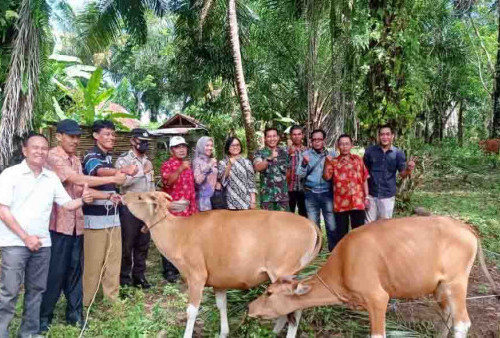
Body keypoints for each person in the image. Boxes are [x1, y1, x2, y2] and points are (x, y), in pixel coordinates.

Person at [0, 133, 93, 337]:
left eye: (44, 148)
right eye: (35, 147)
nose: (40, 151)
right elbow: (3, 210)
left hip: (42, 245)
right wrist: (25, 237)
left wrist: (83, 200)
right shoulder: (10, 174)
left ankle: (30, 332)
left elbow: (67, 204)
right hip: (15, 243)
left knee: (36, 291)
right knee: (9, 292)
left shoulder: (50, 177)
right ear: (24, 150)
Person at [39, 120, 126, 332]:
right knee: (56, 272)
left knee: (76, 271)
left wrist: (109, 195)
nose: (75, 141)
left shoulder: (76, 159)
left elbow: (83, 192)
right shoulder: (53, 156)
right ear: (59, 136)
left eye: (77, 137)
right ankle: (44, 318)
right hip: (58, 225)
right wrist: (115, 177)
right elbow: (75, 179)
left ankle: (75, 314)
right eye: (70, 136)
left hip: (78, 225)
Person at [82, 120, 135, 306]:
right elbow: (98, 171)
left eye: (113, 134)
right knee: (93, 263)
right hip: (94, 219)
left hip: (112, 217)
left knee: (113, 260)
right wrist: (121, 170)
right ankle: (86, 302)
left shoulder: (108, 156)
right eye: (107, 134)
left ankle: (112, 299)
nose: (111, 137)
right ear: (96, 135)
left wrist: (115, 195)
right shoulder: (91, 155)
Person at [116, 128, 155, 289]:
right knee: (127, 245)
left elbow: (151, 185)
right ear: (132, 141)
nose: (144, 144)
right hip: (130, 208)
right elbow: (121, 182)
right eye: (141, 141)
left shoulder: (148, 160)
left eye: (146, 142)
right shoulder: (124, 160)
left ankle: (139, 276)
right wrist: (141, 171)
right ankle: (124, 280)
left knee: (143, 244)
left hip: (145, 208)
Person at [160, 136, 197, 282]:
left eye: (183, 146)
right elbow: (167, 182)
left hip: (188, 208)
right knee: (171, 239)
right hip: (174, 209)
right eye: (177, 147)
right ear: (171, 150)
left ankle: (183, 267)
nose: (181, 149)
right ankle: (169, 270)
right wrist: (180, 169)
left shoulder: (188, 165)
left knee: (186, 239)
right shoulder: (168, 165)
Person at [363, 125, 415, 223]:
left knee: (385, 227)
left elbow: (403, 174)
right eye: (382, 134)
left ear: (392, 136)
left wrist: (409, 169)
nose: (385, 137)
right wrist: (365, 195)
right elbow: (364, 173)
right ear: (378, 136)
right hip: (371, 194)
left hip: (387, 196)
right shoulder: (370, 151)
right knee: (368, 227)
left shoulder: (398, 153)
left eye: (388, 134)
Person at [323, 134, 369, 243]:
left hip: (357, 202)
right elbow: (326, 177)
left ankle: (357, 255)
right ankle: (344, 256)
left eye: (347, 144)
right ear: (338, 146)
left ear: (351, 145)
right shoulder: (333, 161)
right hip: (340, 204)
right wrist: (326, 162)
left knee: (359, 233)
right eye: (342, 144)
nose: (344, 146)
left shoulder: (358, 160)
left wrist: (367, 196)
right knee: (341, 235)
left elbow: (364, 178)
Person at [296, 129, 337, 251]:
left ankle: (333, 249)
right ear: (311, 141)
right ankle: (316, 250)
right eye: (314, 140)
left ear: (324, 140)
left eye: (319, 139)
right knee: (314, 224)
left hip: (327, 193)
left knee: (331, 224)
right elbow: (299, 174)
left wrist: (331, 162)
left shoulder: (332, 154)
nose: (317, 142)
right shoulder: (306, 155)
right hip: (311, 193)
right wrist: (304, 163)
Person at [253, 128, 290, 211]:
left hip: (282, 197)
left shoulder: (285, 152)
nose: (272, 139)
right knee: (267, 223)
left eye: (274, 136)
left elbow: (289, 172)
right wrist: (270, 158)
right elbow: (257, 167)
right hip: (267, 197)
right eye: (269, 136)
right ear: (265, 138)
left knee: (283, 222)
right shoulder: (259, 153)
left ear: (278, 137)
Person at [217, 137, 257, 210]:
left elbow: (251, 182)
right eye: (232, 145)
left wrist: (253, 201)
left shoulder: (246, 162)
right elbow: (222, 181)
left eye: (237, 145)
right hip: (229, 203)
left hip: (245, 202)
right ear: (228, 147)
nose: (235, 147)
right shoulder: (222, 162)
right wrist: (229, 164)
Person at [192, 136, 218, 211]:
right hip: (203, 200)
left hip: (214, 198)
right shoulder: (197, 161)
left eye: (211, 145)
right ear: (200, 146)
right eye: (207, 145)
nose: (210, 148)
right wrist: (209, 165)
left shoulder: (210, 159)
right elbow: (198, 180)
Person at [287, 125, 307, 217]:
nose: (297, 136)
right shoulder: (285, 150)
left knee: (304, 215)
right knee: (288, 216)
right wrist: (289, 154)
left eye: (299, 134)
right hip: (289, 188)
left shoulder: (307, 151)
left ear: (302, 135)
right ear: (290, 136)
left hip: (304, 189)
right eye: (294, 134)